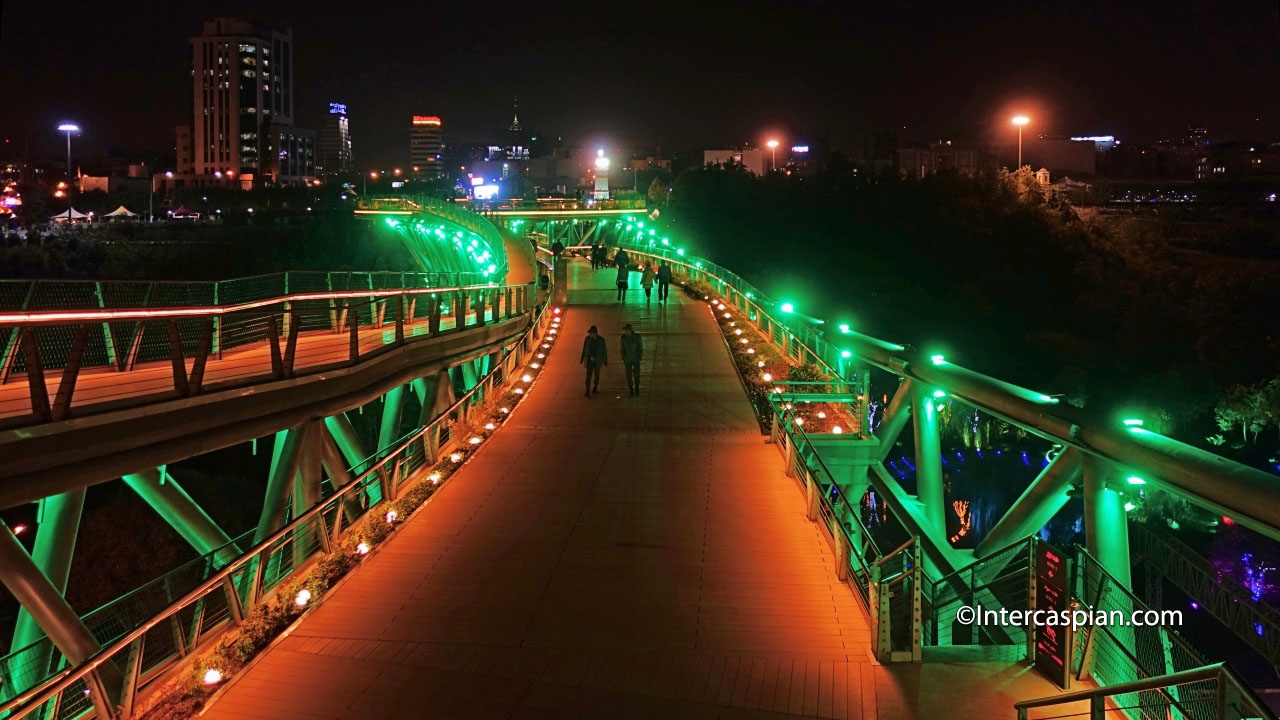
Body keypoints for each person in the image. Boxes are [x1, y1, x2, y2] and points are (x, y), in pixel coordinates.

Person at [580, 325, 607, 397]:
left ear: (595, 333)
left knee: (596, 374)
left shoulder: (601, 340)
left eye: (592, 333)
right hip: (589, 361)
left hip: (597, 361)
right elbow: (584, 349)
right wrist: (582, 359)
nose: (591, 335)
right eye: (590, 333)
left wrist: (605, 361)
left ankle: (595, 386)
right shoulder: (587, 339)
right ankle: (587, 390)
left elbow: (604, 350)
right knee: (588, 375)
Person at [620, 324, 642, 396]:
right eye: (625, 331)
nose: (625, 332)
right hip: (628, 360)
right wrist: (624, 358)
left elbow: (640, 348)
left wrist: (639, 358)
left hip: (635, 359)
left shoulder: (637, 337)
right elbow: (622, 349)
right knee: (628, 375)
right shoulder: (623, 338)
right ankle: (631, 389)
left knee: (636, 374)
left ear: (630, 331)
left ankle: (637, 388)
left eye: (626, 330)